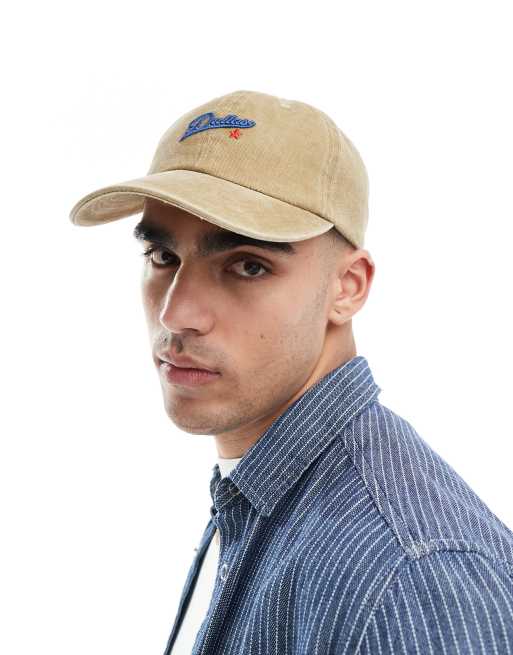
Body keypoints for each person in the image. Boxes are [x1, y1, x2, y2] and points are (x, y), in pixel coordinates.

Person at [69, 89, 513, 654]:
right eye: (163, 258)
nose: (175, 314)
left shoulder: (408, 576)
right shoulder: (262, 495)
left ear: (347, 287)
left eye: (248, 266)